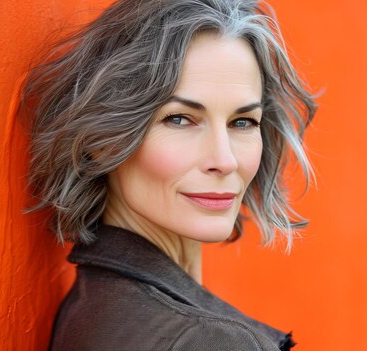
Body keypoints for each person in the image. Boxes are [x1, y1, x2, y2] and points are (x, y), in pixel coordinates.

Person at [21, 0, 316, 349]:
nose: (225, 160)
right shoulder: (211, 342)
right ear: (103, 140)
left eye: (242, 122)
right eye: (179, 119)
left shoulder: (93, 307)